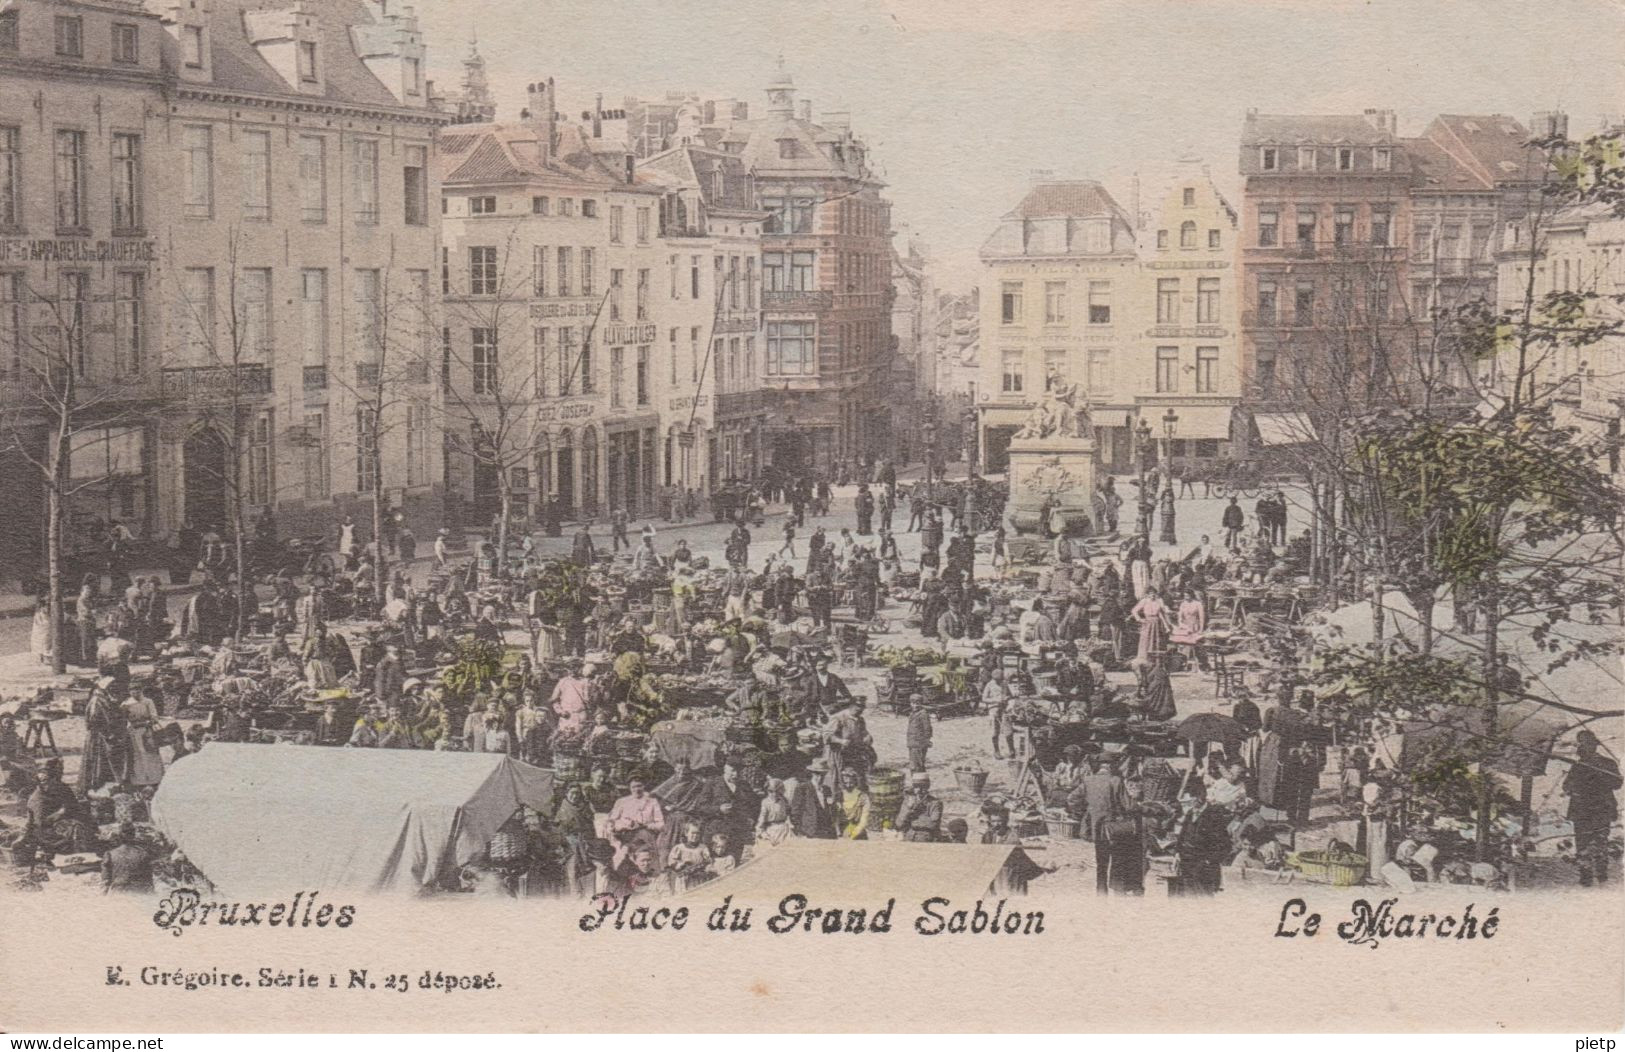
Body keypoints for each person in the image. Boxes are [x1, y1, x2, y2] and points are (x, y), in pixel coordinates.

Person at [1564, 729, 1621, 886]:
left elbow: (1617, 783)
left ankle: (1601, 873)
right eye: (1581, 744)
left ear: (1594, 746)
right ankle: (1586, 875)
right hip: (1581, 810)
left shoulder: (1608, 763)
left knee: (1600, 840)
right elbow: (1566, 786)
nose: (1581, 748)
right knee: (1582, 842)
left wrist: (1601, 774)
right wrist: (1571, 788)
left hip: (1601, 808)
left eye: (1586, 744)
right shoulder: (1578, 765)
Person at [608, 778, 665, 868]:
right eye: (633, 787)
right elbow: (612, 822)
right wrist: (627, 825)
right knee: (623, 859)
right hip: (626, 837)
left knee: (648, 862)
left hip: (646, 838)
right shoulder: (622, 802)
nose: (637, 789)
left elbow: (661, 824)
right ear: (629, 788)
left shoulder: (652, 802)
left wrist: (647, 825)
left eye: (639, 786)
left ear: (644, 786)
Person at [122, 686, 165, 788]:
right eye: (132, 690)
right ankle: (139, 780)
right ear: (129, 692)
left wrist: (146, 723)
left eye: (137, 690)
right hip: (133, 733)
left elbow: (155, 717)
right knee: (137, 756)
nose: (135, 692)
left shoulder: (148, 702)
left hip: (147, 732)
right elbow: (123, 720)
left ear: (141, 691)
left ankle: (154, 778)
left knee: (150, 754)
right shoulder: (126, 704)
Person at [790, 760, 836, 838]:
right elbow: (795, 812)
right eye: (817, 774)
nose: (820, 777)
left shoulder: (826, 789)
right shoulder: (803, 788)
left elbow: (829, 810)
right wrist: (799, 832)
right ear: (812, 773)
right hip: (808, 832)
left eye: (822, 774)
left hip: (825, 831)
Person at [895, 773, 943, 842]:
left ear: (927, 787)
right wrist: (909, 809)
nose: (919, 789)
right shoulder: (908, 802)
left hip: (928, 838)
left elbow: (933, 824)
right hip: (909, 837)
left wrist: (911, 822)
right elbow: (899, 823)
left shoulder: (935, 803)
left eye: (923, 786)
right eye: (916, 786)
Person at [1130, 587, 1172, 665]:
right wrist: (1139, 619)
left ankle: (1155, 659)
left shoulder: (1158, 601)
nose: (1153, 595)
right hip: (1147, 622)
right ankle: (1144, 657)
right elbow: (1134, 610)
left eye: (1154, 594)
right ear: (1147, 594)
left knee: (1157, 640)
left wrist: (1166, 623)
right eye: (1151, 594)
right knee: (1146, 639)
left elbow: (1162, 611)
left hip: (1157, 623)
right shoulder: (1144, 601)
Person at [982, 668, 1015, 760]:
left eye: (1000, 679)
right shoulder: (989, 685)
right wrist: (995, 700)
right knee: (994, 732)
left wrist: (1007, 698)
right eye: (997, 680)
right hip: (993, 709)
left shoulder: (1004, 684)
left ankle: (1012, 751)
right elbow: (984, 698)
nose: (999, 681)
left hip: (1005, 709)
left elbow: (1011, 695)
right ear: (993, 678)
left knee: (1008, 731)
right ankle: (996, 751)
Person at [755, 779, 793, 846]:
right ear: (767, 791)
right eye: (771, 791)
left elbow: (788, 815)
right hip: (771, 830)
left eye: (777, 791)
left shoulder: (784, 801)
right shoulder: (766, 802)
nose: (774, 794)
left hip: (785, 830)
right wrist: (763, 834)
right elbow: (761, 820)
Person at [836, 768, 871, 840]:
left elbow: (864, 819)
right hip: (842, 832)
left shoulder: (863, 797)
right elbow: (835, 818)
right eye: (846, 783)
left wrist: (854, 834)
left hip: (858, 833)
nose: (848, 785)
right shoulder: (839, 796)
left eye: (851, 783)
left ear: (856, 782)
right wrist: (839, 833)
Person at [905, 694, 933, 773]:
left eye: (918, 703)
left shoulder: (923, 714)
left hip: (919, 743)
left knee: (917, 765)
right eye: (913, 703)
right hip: (912, 743)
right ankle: (917, 782)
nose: (915, 705)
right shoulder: (912, 713)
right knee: (914, 764)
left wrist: (926, 741)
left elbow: (928, 729)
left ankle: (919, 783)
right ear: (910, 703)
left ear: (921, 703)